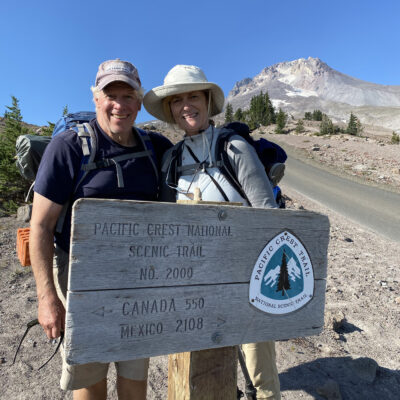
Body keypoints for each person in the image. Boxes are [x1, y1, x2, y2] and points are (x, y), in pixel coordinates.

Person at [30, 59, 172, 400]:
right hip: (82, 281)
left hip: (138, 281)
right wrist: (47, 298)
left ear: (139, 102)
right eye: (111, 95)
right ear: (96, 99)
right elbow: (41, 225)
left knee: (135, 373)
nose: (119, 105)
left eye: (128, 95)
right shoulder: (67, 148)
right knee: (91, 378)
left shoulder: (156, 149)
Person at [143, 64, 281, 400]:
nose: (186, 105)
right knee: (204, 371)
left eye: (193, 96)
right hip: (191, 282)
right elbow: (164, 225)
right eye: (177, 100)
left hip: (244, 277)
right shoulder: (171, 160)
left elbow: (268, 216)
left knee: (258, 373)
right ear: (170, 109)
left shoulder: (234, 148)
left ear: (207, 101)